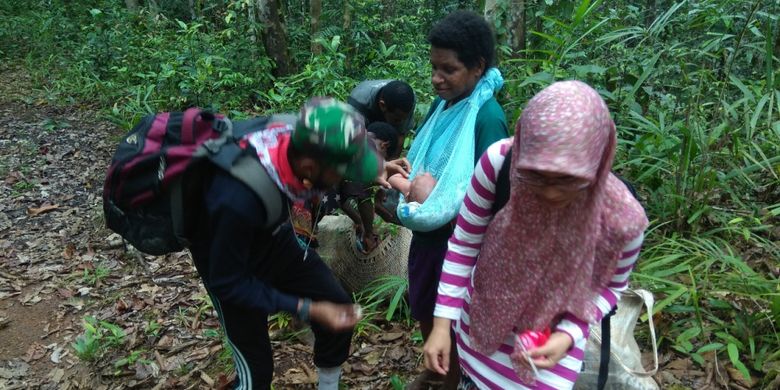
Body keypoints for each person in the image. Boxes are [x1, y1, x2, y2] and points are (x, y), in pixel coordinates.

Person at [422, 81, 649, 389]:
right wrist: (441, 324)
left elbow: (610, 288)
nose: (552, 193)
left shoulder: (622, 220)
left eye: (568, 180)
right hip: (479, 330)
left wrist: (568, 334)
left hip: (551, 350)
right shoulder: (499, 164)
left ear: (597, 161)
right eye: (536, 176)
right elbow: (464, 244)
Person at [188, 98, 381, 390]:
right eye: (340, 172)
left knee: (337, 304)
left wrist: (383, 169)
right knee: (257, 375)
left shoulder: (293, 138)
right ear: (309, 166)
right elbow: (228, 282)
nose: (342, 179)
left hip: (274, 236)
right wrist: (307, 308)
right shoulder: (238, 197)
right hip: (229, 261)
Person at [393, 10, 509, 390]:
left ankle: (453, 377)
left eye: (447, 69)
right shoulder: (442, 104)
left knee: (455, 311)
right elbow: (427, 158)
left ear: (477, 67)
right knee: (426, 301)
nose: (435, 79)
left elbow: (492, 192)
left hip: (460, 241)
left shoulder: (487, 117)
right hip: (430, 232)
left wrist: (428, 193)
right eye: (433, 67)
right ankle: (436, 367)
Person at [348, 79, 416, 157]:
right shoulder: (358, 103)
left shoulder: (408, 99)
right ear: (382, 105)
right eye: (397, 120)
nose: (401, 122)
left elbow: (400, 136)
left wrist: (392, 163)